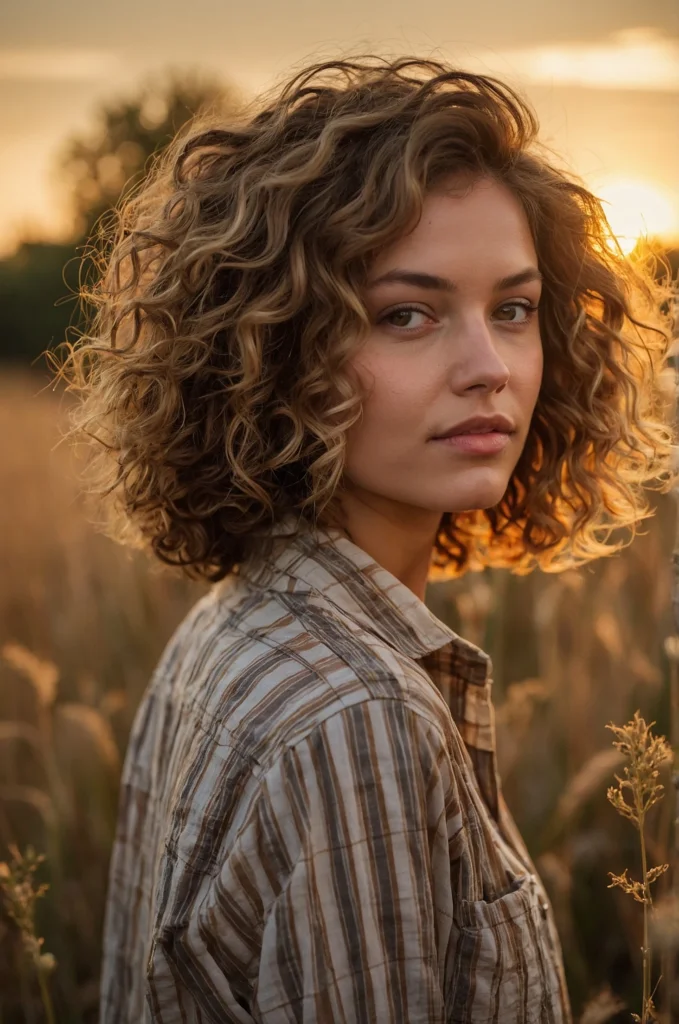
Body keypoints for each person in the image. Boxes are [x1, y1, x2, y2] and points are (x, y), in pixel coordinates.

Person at [54, 54, 676, 1024]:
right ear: (274, 346)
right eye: (407, 314)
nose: (489, 367)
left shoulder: (242, 618)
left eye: (512, 309)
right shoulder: (358, 719)